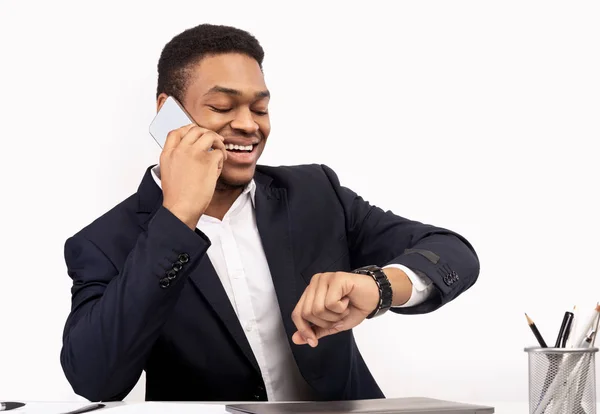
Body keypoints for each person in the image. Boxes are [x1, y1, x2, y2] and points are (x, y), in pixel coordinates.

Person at [60, 23, 480, 403]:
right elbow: (95, 379)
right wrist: (176, 219)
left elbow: (452, 253)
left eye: (259, 109)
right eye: (223, 107)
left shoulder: (315, 193)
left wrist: (379, 287)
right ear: (169, 113)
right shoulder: (104, 242)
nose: (248, 125)